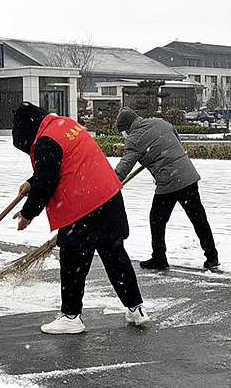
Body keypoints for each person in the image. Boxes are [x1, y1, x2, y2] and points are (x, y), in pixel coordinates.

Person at [11, 102, 149, 334]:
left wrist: (27, 213)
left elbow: (47, 181)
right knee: (115, 255)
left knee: (73, 261)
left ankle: (71, 316)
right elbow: (57, 165)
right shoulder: (64, 125)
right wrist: (31, 182)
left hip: (83, 206)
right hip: (108, 197)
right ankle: (136, 309)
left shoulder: (45, 141)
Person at [114, 108, 220, 270]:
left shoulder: (134, 139)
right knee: (198, 218)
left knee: (157, 219)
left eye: (123, 131)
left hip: (169, 181)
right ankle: (212, 256)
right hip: (188, 175)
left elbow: (124, 167)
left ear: (127, 127)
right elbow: (176, 140)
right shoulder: (160, 123)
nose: (124, 134)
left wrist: (111, 185)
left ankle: (159, 258)